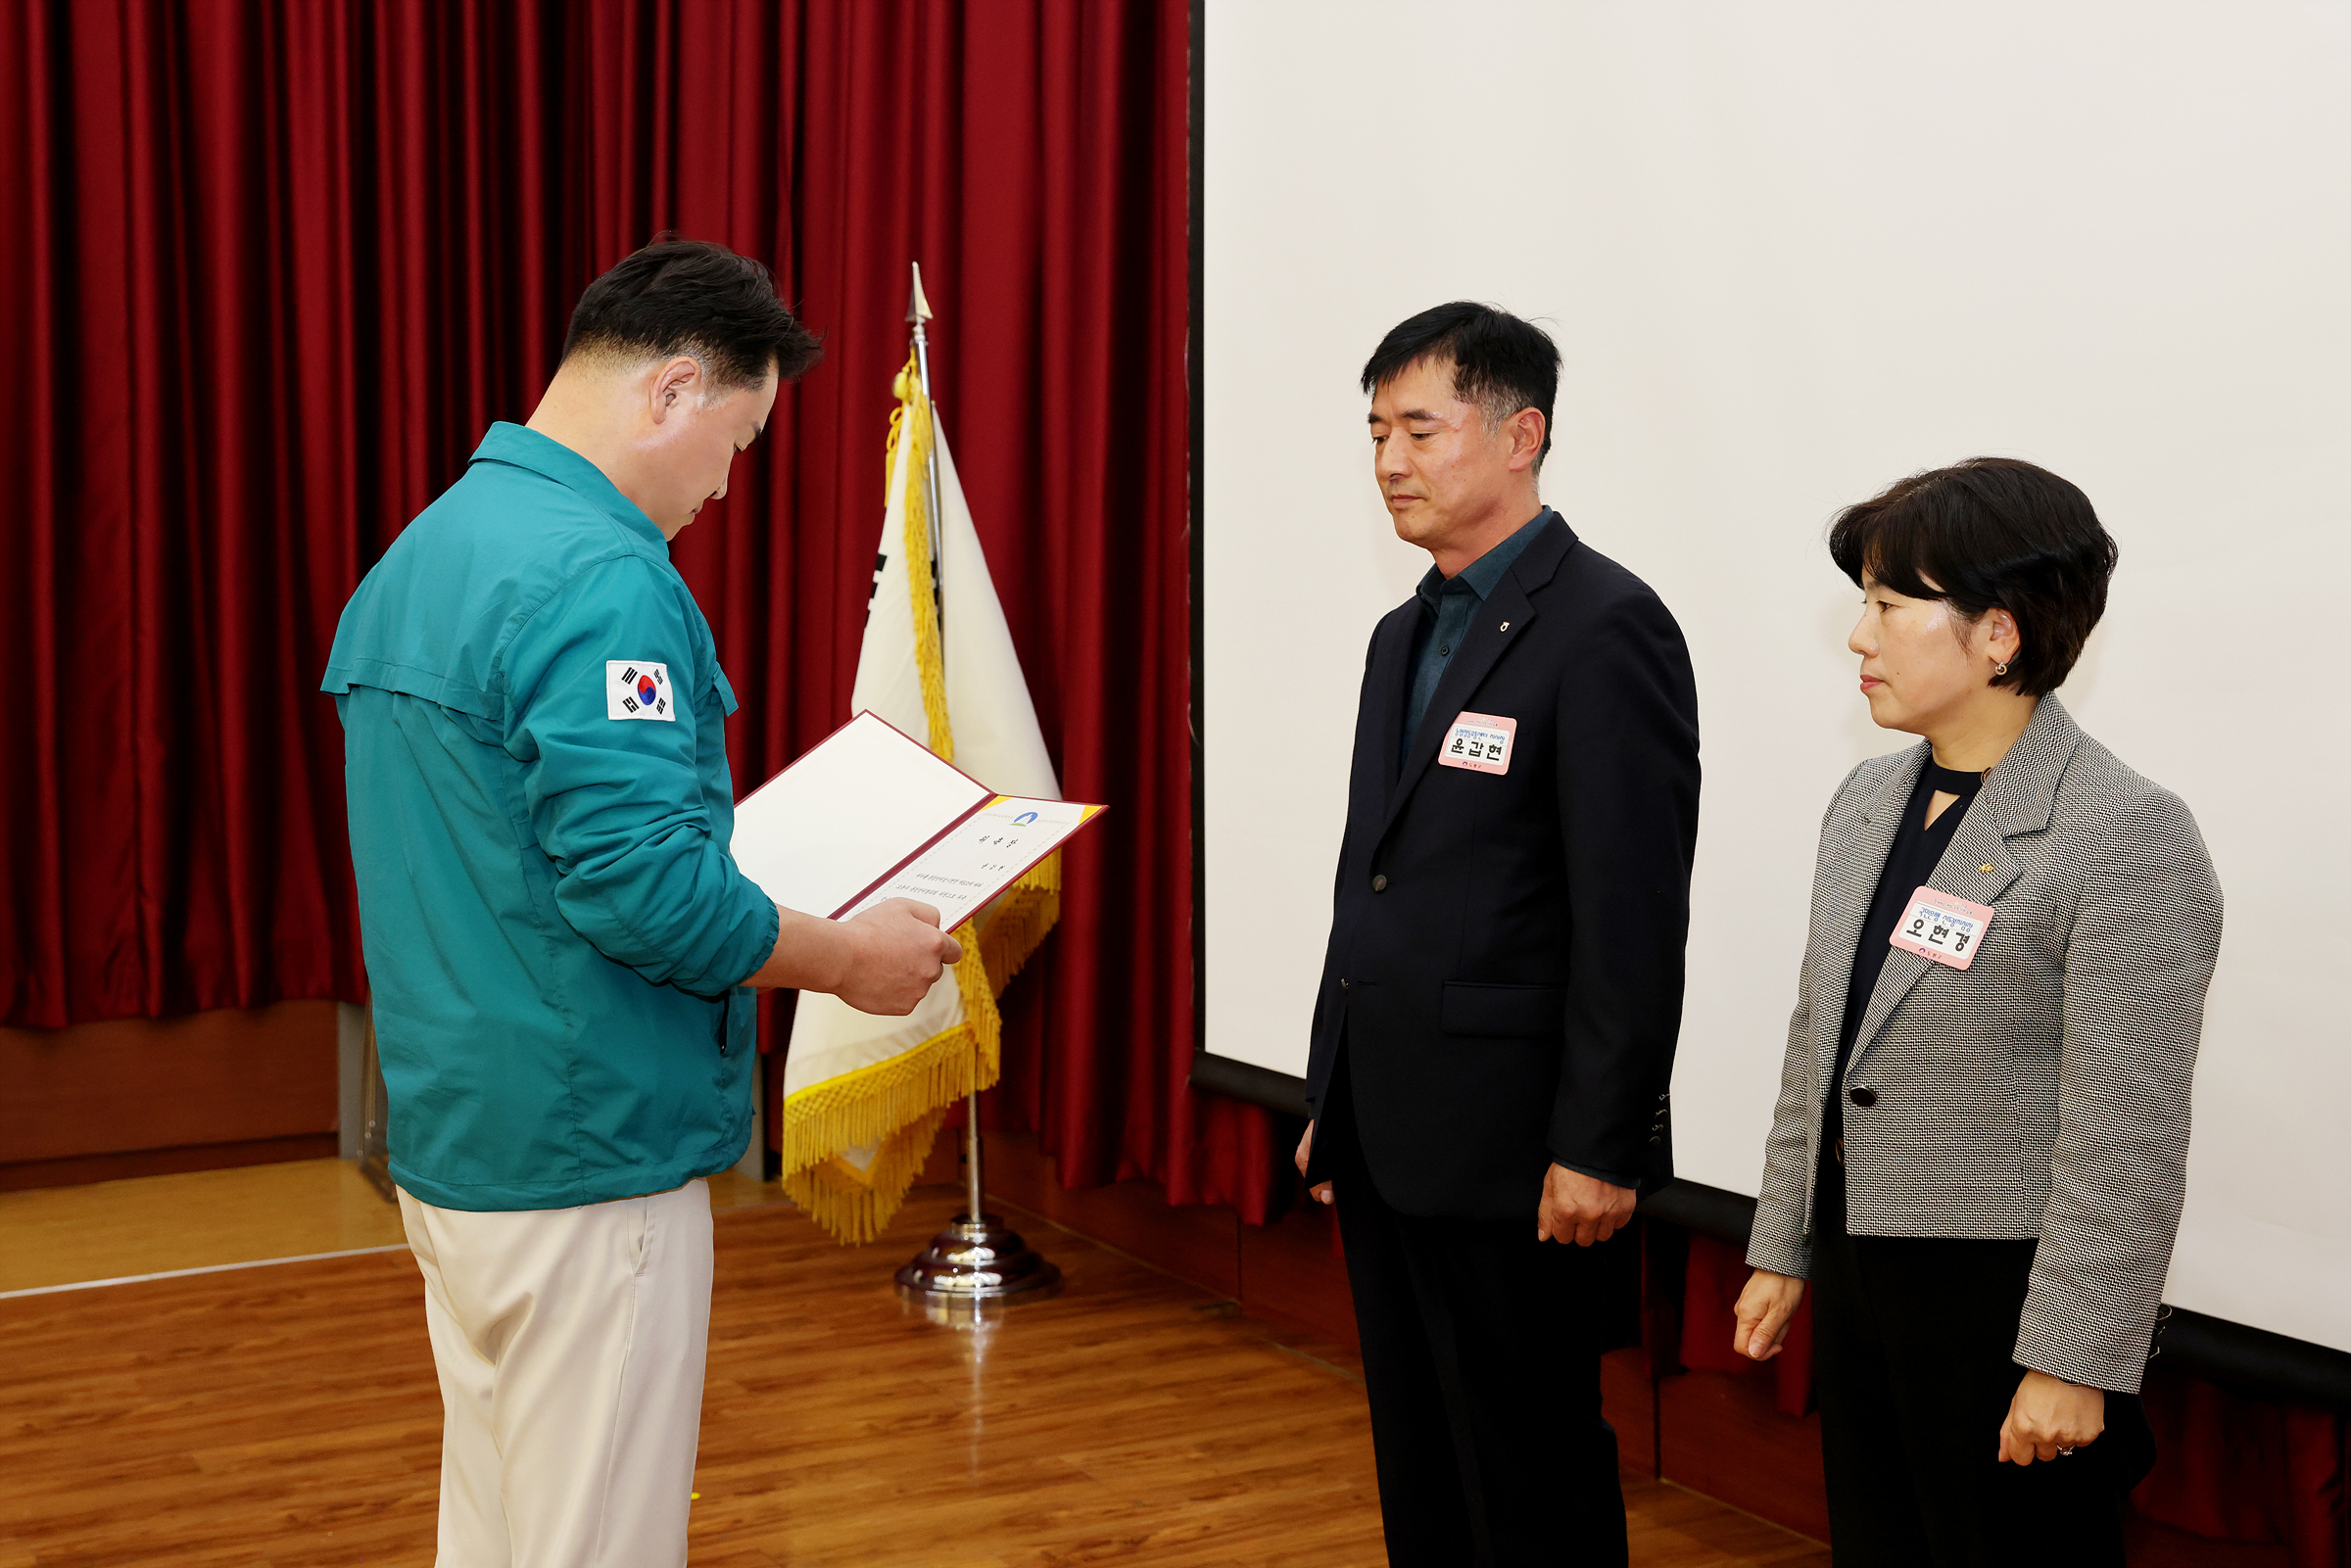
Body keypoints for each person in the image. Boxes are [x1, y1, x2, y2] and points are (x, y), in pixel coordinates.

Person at [322, 237, 962, 1567]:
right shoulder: (599, 574)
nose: (728, 486)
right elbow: (643, 893)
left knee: (499, 1530)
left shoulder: (432, 545)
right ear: (671, 390)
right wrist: (848, 957)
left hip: (464, 1138)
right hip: (587, 1149)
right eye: (738, 440)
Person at [1731, 458, 2224, 1566]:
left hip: (2004, 1302)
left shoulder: (2123, 830)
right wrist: (1784, 1244)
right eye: (1863, 601)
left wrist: (2073, 1357)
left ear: (1999, 633)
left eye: (1889, 605)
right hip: (1866, 1271)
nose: (1859, 636)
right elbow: (1822, 1037)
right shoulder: (1867, 800)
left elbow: (2127, 1135)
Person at [1293, 302, 1701, 1567]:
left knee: (1529, 1476)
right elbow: (1375, 882)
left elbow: (1631, 916)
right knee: (1419, 1465)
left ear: (1522, 434)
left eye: (1420, 427)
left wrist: (1600, 1145)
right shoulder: (1397, 635)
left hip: (1519, 1155)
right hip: (1387, 1131)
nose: (1390, 462)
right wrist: (1330, 1088)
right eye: (1375, 434)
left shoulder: (1605, 628)